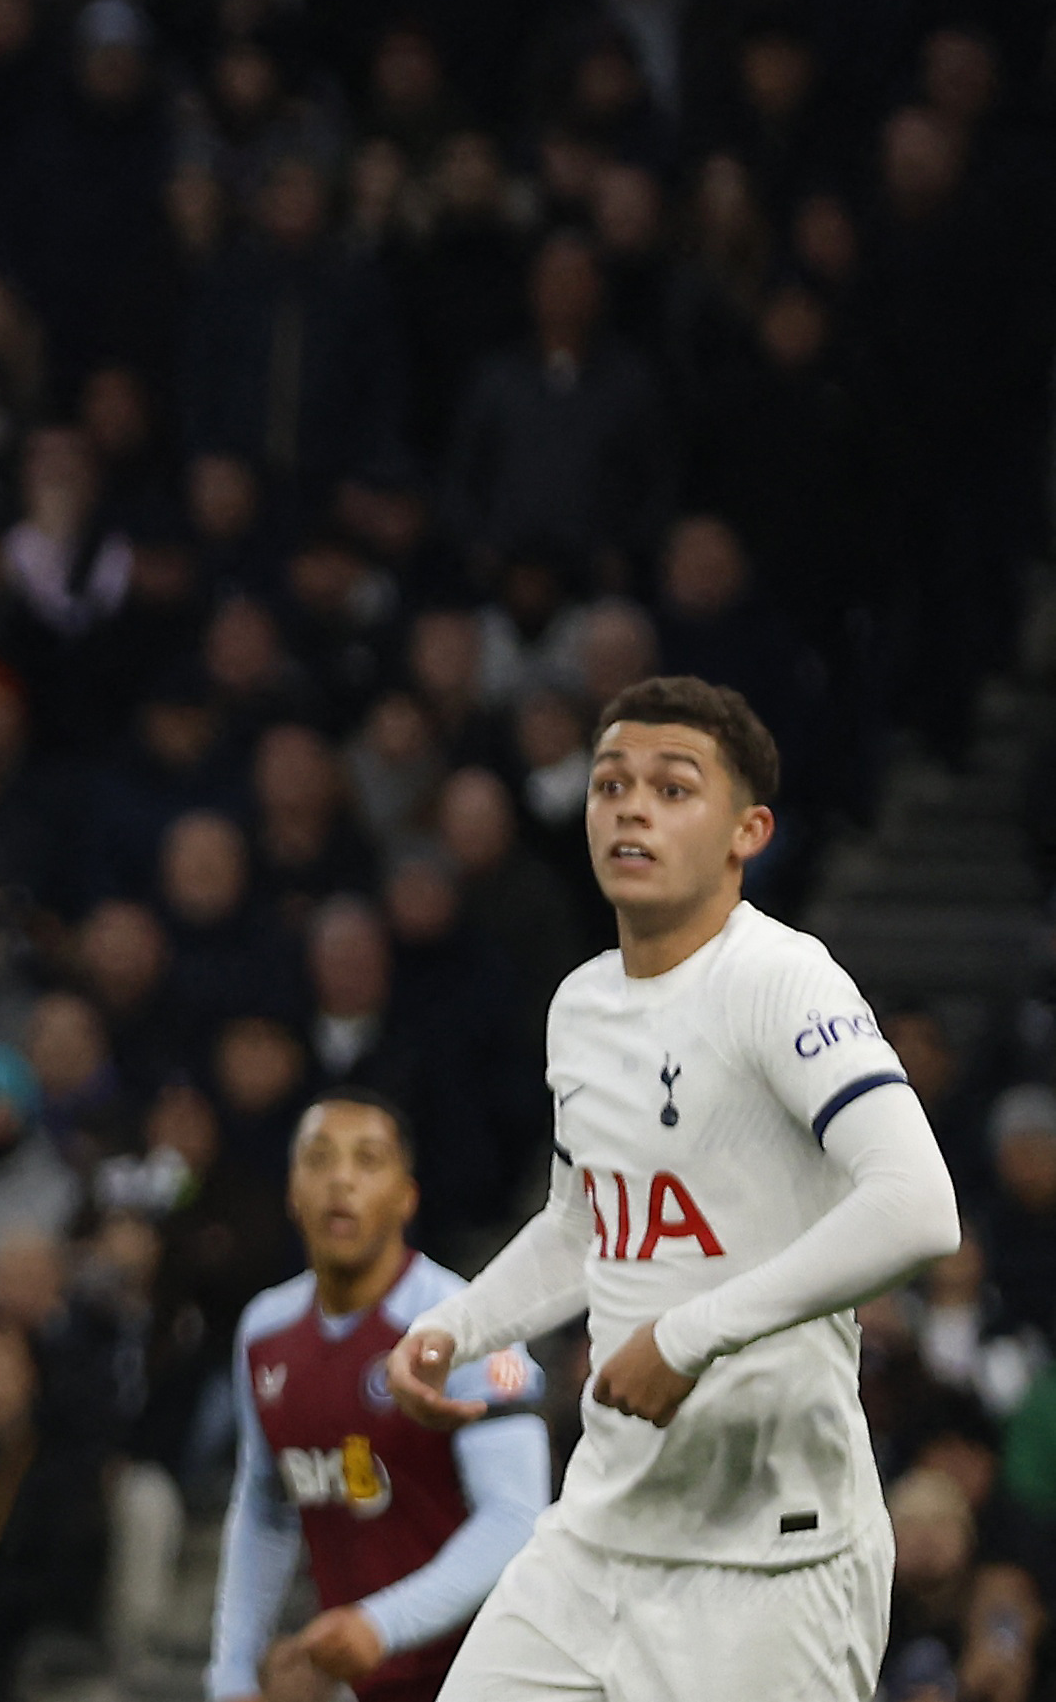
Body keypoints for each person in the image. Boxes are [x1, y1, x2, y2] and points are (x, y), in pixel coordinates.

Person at [384, 676, 962, 1699]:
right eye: (610, 782)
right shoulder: (582, 1003)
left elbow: (917, 1203)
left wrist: (689, 1336)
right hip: (599, 1533)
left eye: (672, 785)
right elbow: (582, 1225)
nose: (631, 805)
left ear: (749, 829)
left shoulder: (784, 979)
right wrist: (460, 1325)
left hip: (775, 1560)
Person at [211, 1090, 548, 1702]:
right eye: (319, 1159)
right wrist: (232, 1679)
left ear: (406, 1196)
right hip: (365, 1683)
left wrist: (380, 1624)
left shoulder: (468, 1328)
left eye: (367, 1160)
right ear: (291, 1191)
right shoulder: (264, 1333)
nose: (341, 1180)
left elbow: (518, 1520)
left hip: (493, 1679)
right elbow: (264, 1506)